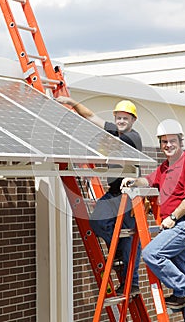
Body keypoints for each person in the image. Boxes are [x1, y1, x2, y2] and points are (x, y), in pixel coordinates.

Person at [56, 96, 142, 295]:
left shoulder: (133, 137)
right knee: (96, 222)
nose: (121, 121)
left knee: (130, 242)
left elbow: (115, 143)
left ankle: (132, 282)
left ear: (133, 120)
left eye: (125, 118)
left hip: (129, 195)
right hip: (113, 193)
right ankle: (117, 250)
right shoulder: (114, 131)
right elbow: (91, 116)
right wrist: (71, 101)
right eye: (118, 118)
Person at [121, 119, 185, 321]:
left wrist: (173, 217)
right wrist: (134, 180)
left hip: (182, 224)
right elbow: (148, 180)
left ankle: (184, 289)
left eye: (172, 141)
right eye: (164, 142)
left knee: (151, 254)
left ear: (181, 141)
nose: (168, 145)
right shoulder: (165, 168)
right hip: (173, 226)